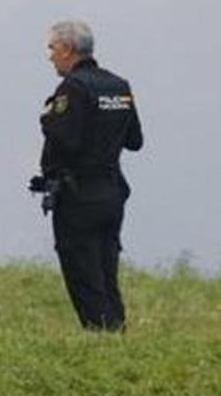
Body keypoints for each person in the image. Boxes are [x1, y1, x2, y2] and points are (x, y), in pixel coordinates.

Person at [36, 20, 143, 331]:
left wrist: (48, 118)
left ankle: (101, 339)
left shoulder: (73, 87)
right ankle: (116, 334)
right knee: (107, 274)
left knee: (83, 276)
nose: (50, 55)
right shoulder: (119, 86)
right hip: (112, 192)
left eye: (52, 48)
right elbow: (135, 141)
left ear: (68, 49)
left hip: (78, 195)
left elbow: (66, 140)